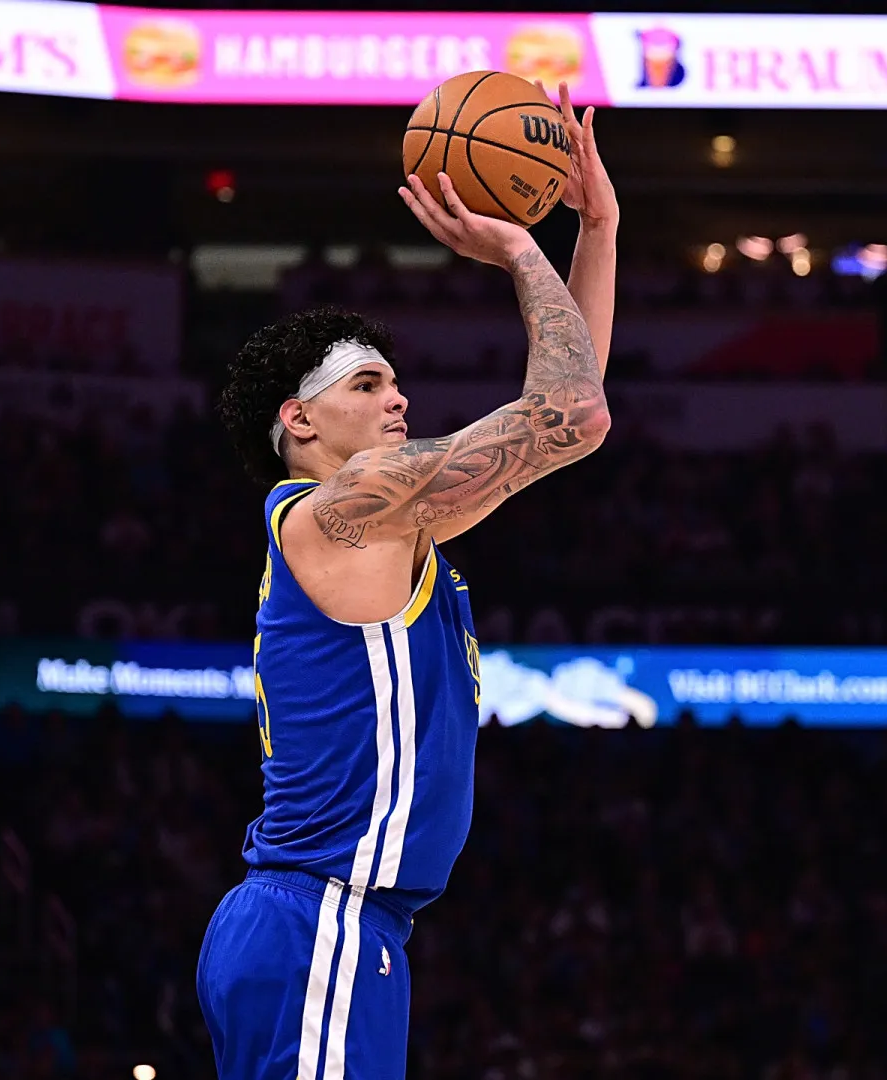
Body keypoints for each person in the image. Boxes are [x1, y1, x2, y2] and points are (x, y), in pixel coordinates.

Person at [197, 86, 618, 1079]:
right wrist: (518, 250)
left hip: (333, 926)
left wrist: (596, 231)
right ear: (299, 421)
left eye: (394, 379)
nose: (400, 397)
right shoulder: (345, 510)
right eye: (367, 383)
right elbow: (573, 415)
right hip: (319, 919)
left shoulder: (385, 525)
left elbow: (569, 406)